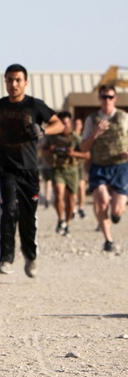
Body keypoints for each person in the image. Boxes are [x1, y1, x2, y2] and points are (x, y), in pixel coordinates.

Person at [0, 64, 62, 277]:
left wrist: (43, 130)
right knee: (8, 210)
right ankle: (5, 259)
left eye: (18, 80)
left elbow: (59, 124)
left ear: (25, 82)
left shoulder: (35, 105)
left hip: (28, 169)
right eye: (10, 79)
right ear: (5, 82)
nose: (14, 84)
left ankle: (31, 255)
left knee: (28, 216)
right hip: (6, 166)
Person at [80, 85, 128, 253]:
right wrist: (95, 134)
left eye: (110, 97)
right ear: (99, 98)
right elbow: (84, 148)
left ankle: (116, 215)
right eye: (104, 97)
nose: (107, 100)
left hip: (121, 167)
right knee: (101, 202)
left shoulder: (123, 117)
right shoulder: (91, 120)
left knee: (116, 209)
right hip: (99, 166)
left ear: (115, 98)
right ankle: (108, 240)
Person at [44, 111, 89, 236]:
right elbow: (41, 151)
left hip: (72, 170)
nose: (64, 126)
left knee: (71, 199)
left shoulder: (76, 138)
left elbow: (86, 155)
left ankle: (67, 223)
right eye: (61, 124)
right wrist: (49, 150)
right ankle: (60, 218)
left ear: (70, 123)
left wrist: (73, 153)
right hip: (57, 169)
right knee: (58, 194)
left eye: (66, 123)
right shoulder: (52, 138)